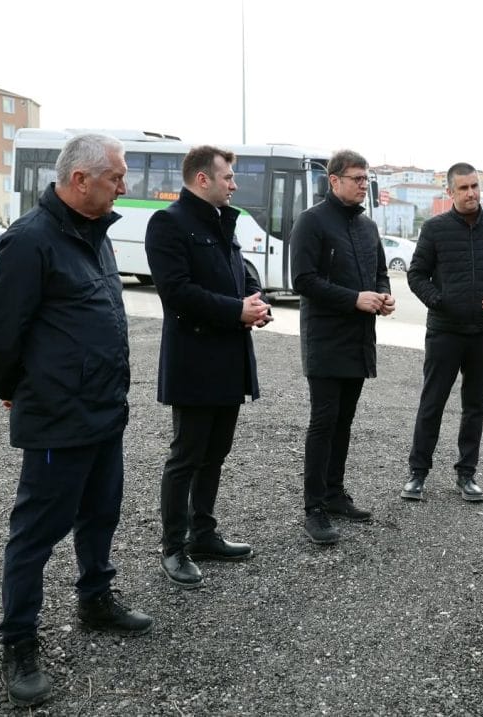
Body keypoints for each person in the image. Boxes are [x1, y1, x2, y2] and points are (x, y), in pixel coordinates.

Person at [0, 133, 153, 707]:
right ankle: (18, 642)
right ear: (81, 180)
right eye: (117, 177)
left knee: (101, 514)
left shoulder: (94, 234)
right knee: (36, 534)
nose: (125, 186)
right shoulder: (29, 242)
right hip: (57, 419)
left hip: (104, 412)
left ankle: (95, 598)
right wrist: (20, 393)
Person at [144, 145, 272, 589]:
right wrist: (237, 310)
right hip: (194, 361)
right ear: (202, 179)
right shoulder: (169, 224)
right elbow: (177, 292)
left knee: (216, 453)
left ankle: (203, 534)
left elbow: (243, 272)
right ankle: (174, 548)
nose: (234, 184)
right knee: (186, 456)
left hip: (229, 357)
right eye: (228, 177)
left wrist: (257, 302)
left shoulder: (223, 222)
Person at [290, 149, 395, 545]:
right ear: (333, 181)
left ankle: (334, 493)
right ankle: (313, 507)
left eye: (366, 179)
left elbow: (381, 273)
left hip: (358, 339)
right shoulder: (311, 221)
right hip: (325, 338)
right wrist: (354, 299)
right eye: (356, 179)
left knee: (345, 422)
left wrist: (384, 296)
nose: (363, 185)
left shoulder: (367, 227)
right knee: (323, 422)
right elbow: (302, 279)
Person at [401, 162, 483, 502]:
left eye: (475, 187)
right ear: (450, 192)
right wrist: (438, 302)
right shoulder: (435, 228)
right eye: (464, 188)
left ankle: (466, 475)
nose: (471, 193)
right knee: (432, 403)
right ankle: (417, 473)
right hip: (445, 331)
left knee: (475, 406)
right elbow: (416, 275)